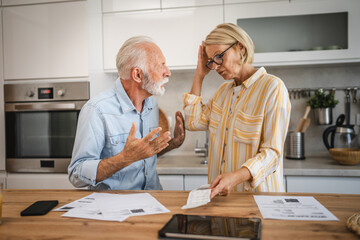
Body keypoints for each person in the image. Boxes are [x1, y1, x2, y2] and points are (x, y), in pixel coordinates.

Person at [183, 23, 291, 198]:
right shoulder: (222, 93)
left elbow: (272, 153)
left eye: (219, 57)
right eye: (211, 61)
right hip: (223, 199)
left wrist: (234, 178)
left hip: (259, 202)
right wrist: (199, 73)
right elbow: (192, 122)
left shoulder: (272, 87)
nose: (215, 66)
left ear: (240, 47)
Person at [68, 36, 185, 190]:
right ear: (137, 75)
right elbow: (76, 175)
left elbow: (145, 154)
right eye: (160, 66)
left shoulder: (151, 104)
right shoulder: (97, 110)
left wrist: (173, 143)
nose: (168, 72)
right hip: (115, 209)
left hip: (154, 200)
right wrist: (125, 158)